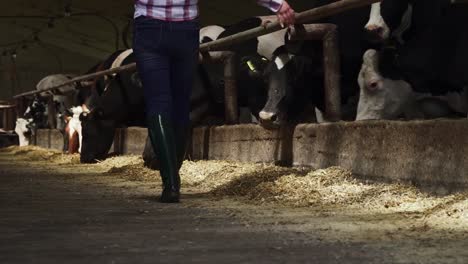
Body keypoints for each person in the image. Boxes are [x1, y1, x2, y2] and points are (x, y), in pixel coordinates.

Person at [133, 0, 296, 203]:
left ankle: (171, 182)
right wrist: (277, 5)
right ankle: (173, 175)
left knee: (158, 103)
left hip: (148, 28)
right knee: (181, 104)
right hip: (184, 30)